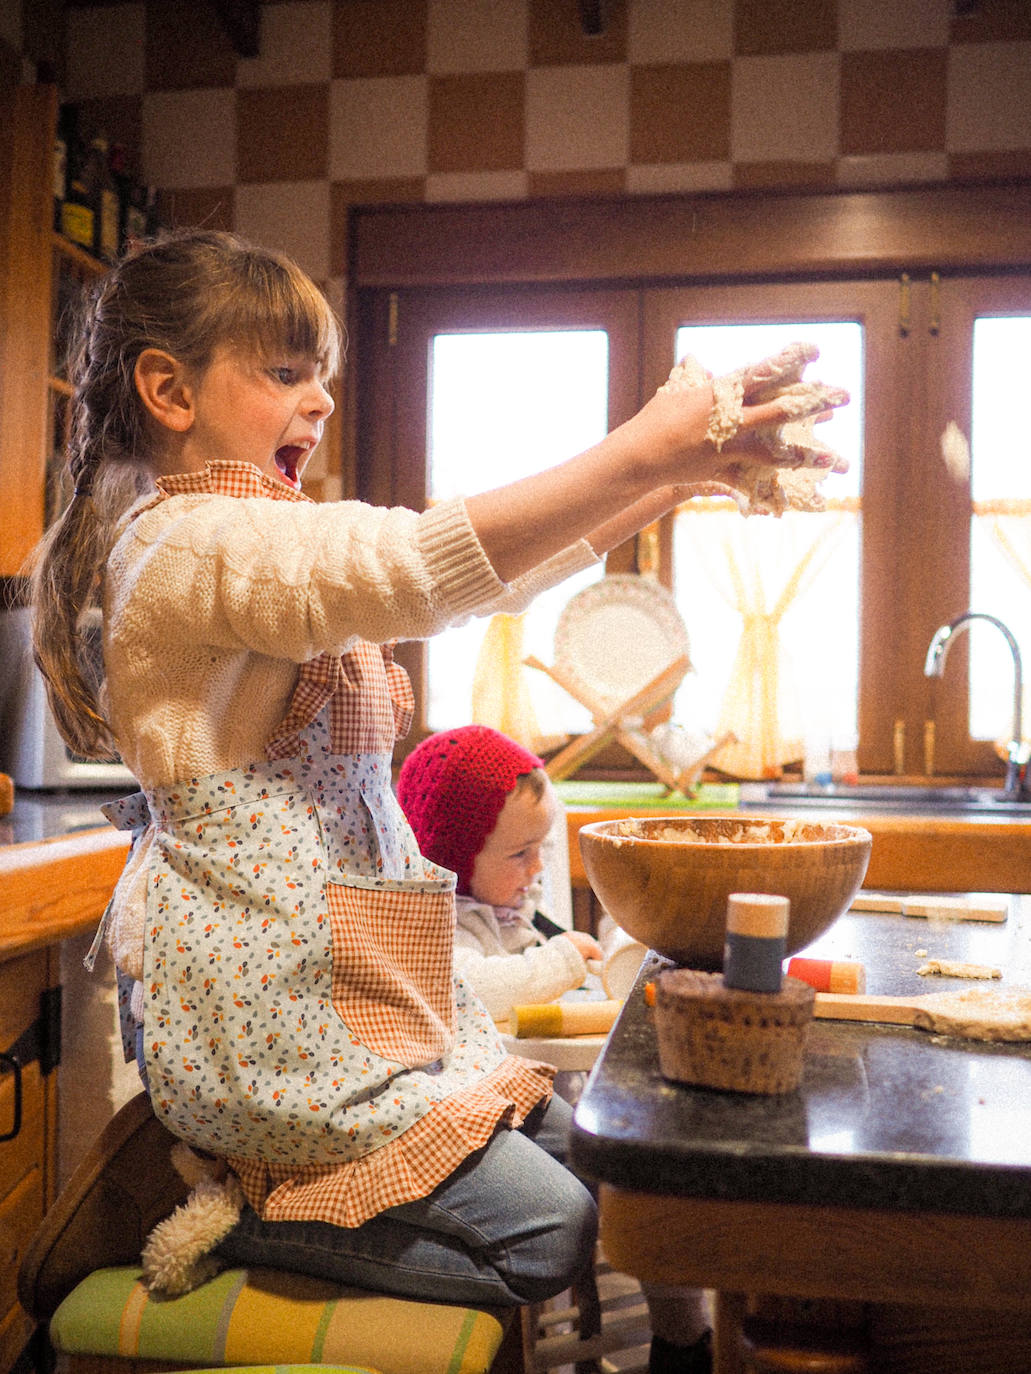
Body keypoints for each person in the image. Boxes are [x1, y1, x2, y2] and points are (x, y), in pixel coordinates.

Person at [27, 228, 847, 1357]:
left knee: (598, 1162)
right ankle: (224, 1202)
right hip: (266, 1025)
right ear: (167, 389)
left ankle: (251, 1183)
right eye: (281, 372)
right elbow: (413, 569)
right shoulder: (187, 543)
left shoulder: (252, 535)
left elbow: (452, 579)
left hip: (346, 1003)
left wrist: (664, 477)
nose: (316, 400)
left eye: (320, 374)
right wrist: (642, 447)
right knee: (553, 1231)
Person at [396, 724, 602, 1025]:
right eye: (520, 853)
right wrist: (562, 961)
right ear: (453, 860)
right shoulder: (430, 923)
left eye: (540, 847)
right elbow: (474, 990)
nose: (537, 867)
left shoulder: (511, 900)